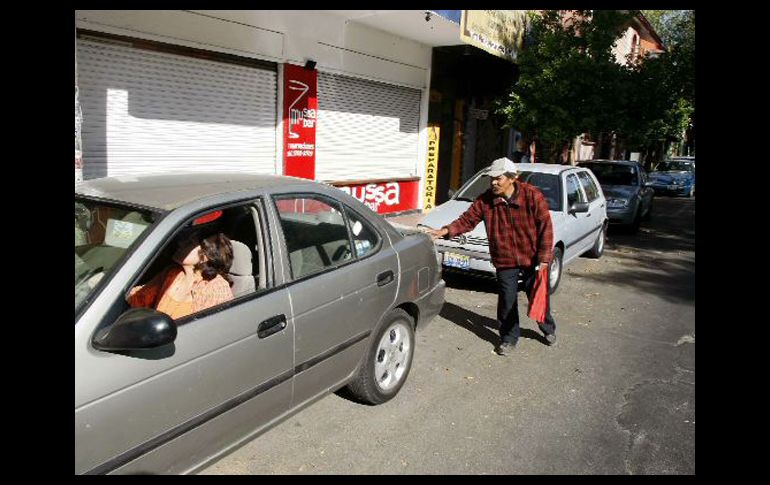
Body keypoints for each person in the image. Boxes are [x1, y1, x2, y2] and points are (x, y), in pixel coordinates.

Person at [427, 157, 557, 356]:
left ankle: (547, 327)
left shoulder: (532, 196)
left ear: (512, 178)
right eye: (492, 179)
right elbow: (467, 220)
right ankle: (508, 337)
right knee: (506, 299)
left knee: (537, 295)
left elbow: (545, 227)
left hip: (532, 257)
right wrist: (444, 231)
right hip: (505, 258)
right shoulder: (486, 200)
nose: (494, 183)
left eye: (499, 179)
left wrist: (544, 257)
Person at [128, 232, 235, 320]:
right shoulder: (172, 273)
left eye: (189, 243)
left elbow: (209, 329)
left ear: (205, 256)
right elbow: (140, 296)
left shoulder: (217, 288)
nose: (180, 244)